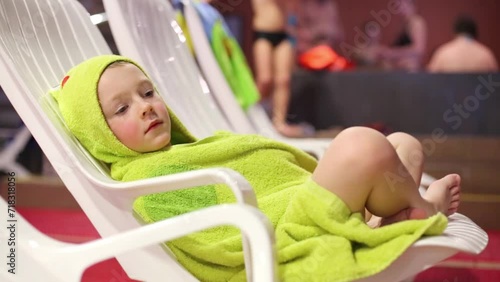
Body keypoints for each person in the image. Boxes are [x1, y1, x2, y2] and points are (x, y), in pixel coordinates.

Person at [51, 55, 460, 281]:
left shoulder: (196, 150)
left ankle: (385, 221)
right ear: (100, 136)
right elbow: (213, 234)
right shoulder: (145, 180)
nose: (144, 107)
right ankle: (421, 211)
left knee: (401, 144)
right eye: (122, 109)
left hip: (315, 205)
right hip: (289, 229)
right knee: (362, 143)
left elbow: (268, 170)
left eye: (147, 92)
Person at [252, 0, 307, 137]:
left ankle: (279, 122)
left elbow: (296, 9)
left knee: (283, 80)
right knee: (265, 80)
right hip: (263, 34)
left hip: (284, 35)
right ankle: (249, 114)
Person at [427, 15, 499, 73]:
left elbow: (430, 79)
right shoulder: (486, 54)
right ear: (475, 32)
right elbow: (495, 81)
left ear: (455, 32)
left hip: (450, 90)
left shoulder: (443, 52)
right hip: (477, 91)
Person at [379, 0, 427, 71]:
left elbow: (418, 50)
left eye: (401, 3)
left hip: (409, 70)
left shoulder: (416, 22)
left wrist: (391, 53)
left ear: (410, 4)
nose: (398, 7)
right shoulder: (404, 24)